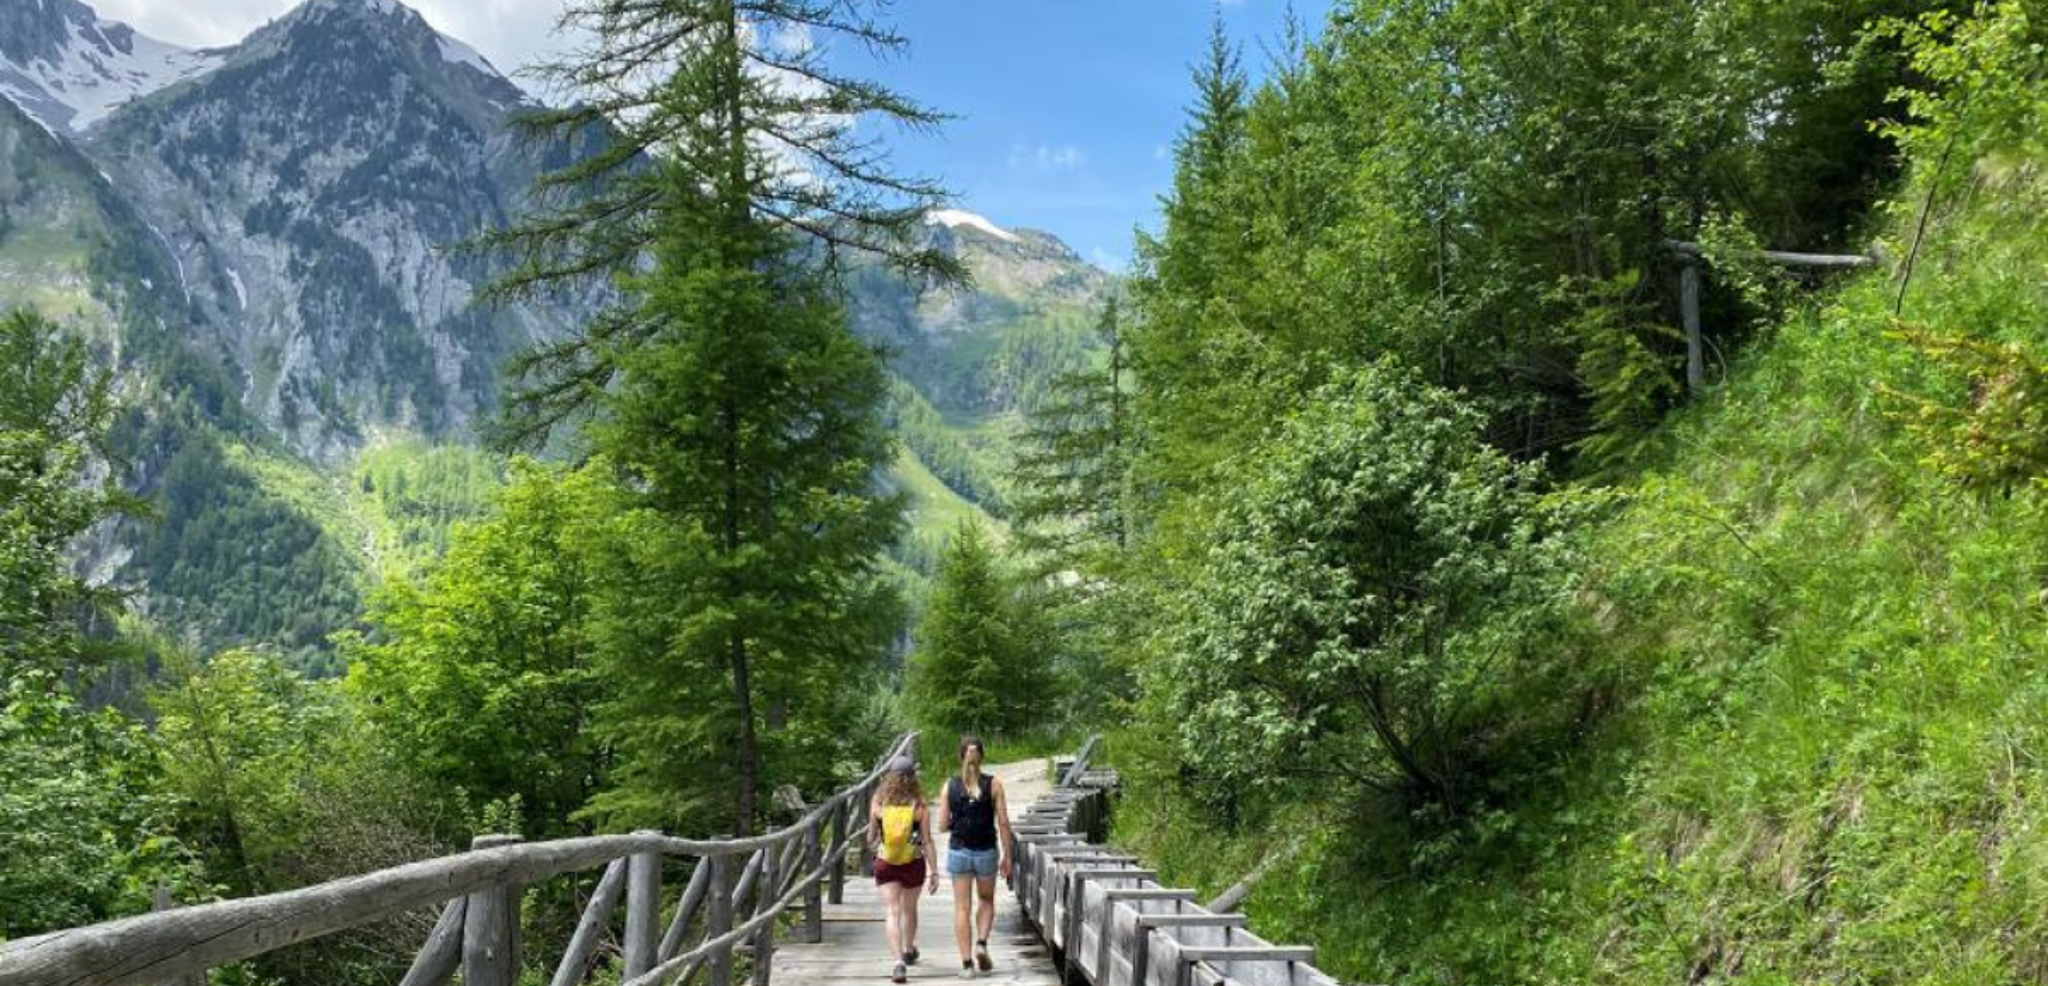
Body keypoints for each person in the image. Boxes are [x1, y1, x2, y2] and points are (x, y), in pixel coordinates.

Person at [928, 734, 1012, 979]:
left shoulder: (949, 786)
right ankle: (982, 944)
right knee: (986, 901)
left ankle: (966, 965)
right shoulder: (994, 784)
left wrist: (957, 817)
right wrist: (1008, 855)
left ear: (960, 756)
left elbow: (943, 826)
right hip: (986, 850)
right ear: (982, 756)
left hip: (959, 851)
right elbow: (1004, 823)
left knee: (961, 908)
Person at [870, 754, 928, 984]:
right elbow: (926, 839)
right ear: (913, 777)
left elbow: (871, 836)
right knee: (909, 909)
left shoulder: (878, 801)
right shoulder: (919, 803)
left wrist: (876, 844)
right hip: (913, 861)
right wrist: (933, 869)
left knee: (892, 912)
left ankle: (898, 963)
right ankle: (908, 948)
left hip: (886, 862)